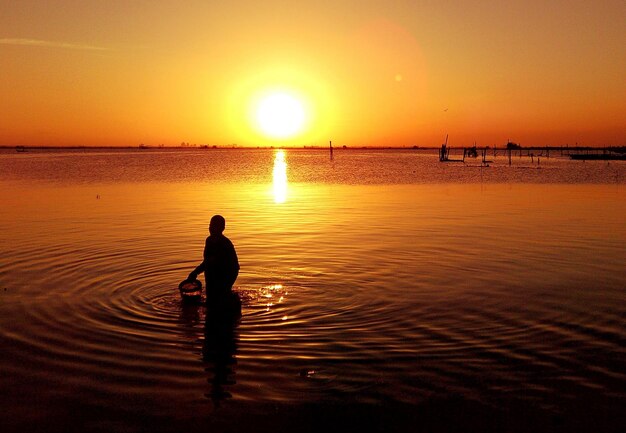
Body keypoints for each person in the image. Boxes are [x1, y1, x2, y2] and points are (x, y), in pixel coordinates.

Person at [188, 215, 240, 307]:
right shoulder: (209, 240)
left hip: (226, 274)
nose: (211, 228)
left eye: (215, 226)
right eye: (210, 225)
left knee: (219, 301)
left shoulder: (225, 243)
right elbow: (207, 261)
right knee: (212, 300)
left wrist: (226, 285)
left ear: (222, 228)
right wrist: (195, 273)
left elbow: (233, 266)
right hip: (212, 274)